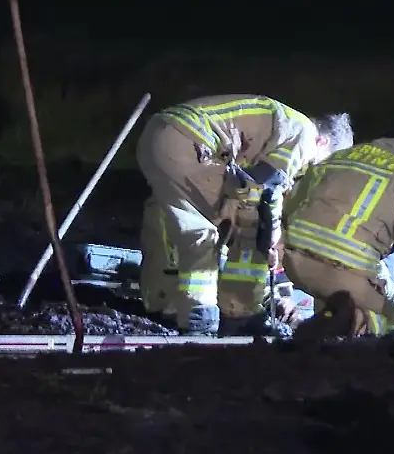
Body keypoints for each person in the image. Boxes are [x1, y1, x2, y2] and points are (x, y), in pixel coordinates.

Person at [135, 94, 353, 334]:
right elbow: (267, 186)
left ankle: (170, 306)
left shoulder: (278, 125)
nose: (309, 170)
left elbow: (252, 181)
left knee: (190, 226)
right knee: (226, 223)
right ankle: (213, 318)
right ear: (322, 142)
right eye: (316, 164)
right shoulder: (304, 135)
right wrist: (272, 234)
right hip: (189, 143)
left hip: (159, 136)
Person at [280, 125, 394, 336]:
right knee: (390, 320)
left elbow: (290, 207)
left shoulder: (335, 158)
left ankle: (328, 321)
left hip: (295, 263)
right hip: (345, 269)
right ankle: (353, 323)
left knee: (336, 298)